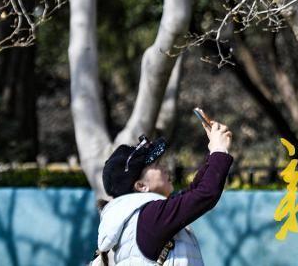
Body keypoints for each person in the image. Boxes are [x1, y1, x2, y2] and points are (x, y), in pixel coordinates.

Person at [95, 110, 234, 265]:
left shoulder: (143, 216)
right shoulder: (150, 216)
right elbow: (204, 194)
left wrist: (214, 150)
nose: (165, 168)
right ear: (141, 186)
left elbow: (195, 191)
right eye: (157, 165)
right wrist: (219, 150)